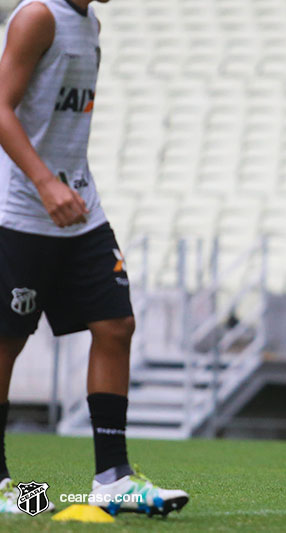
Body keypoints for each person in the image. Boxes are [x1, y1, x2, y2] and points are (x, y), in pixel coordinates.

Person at [0, 0, 188, 516]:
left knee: (116, 325)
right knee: (6, 344)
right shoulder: (37, 16)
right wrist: (42, 184)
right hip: (19, 210)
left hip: (79, 206)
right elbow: (0, 105)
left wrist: (61, 186)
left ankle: (113, 478)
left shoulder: (90, 23)